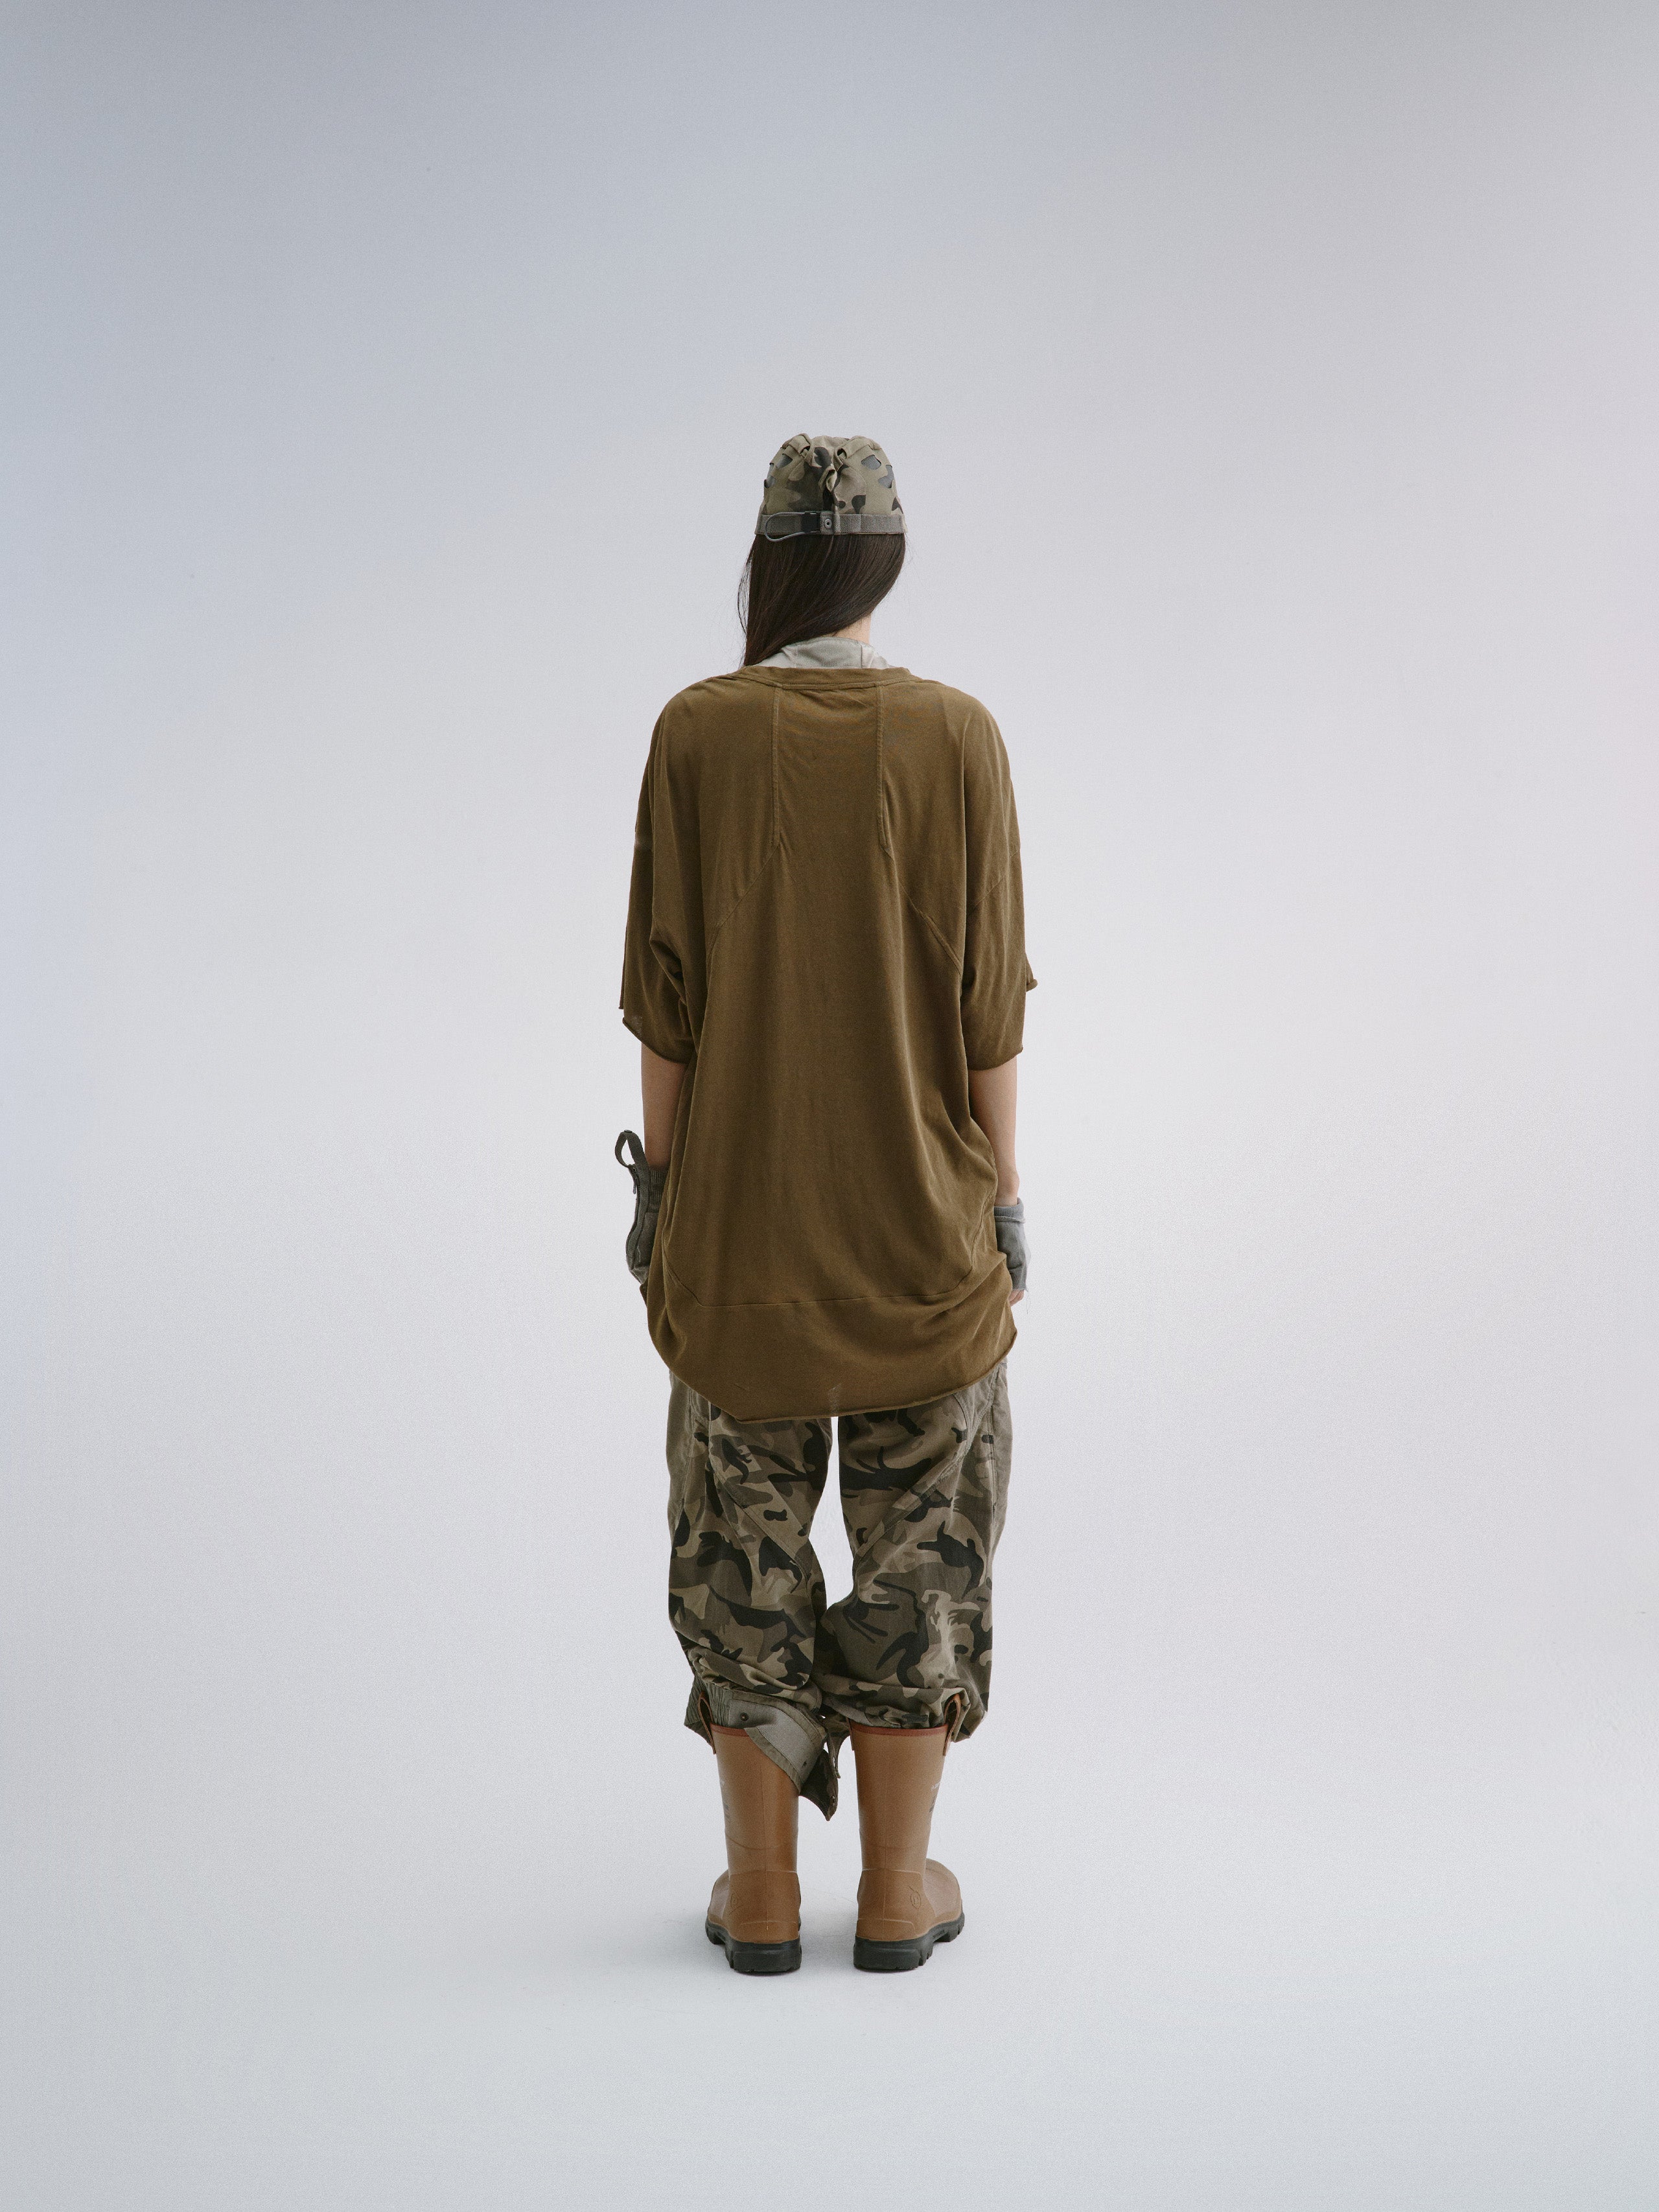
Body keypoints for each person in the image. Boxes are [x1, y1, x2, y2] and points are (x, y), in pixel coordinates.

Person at [615, 433, 1034, 1975]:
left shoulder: (696, 733)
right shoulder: (958, 736)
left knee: (741, 1559)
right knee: (922, 1560)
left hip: (739, 1249)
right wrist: (1002, 1204)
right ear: (884, 560)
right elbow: (989, 1013)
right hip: (922, 1240)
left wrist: (663, 1204)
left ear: (771, 560)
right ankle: (897, 1895)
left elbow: (664, 1009)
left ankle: (763, 1897)